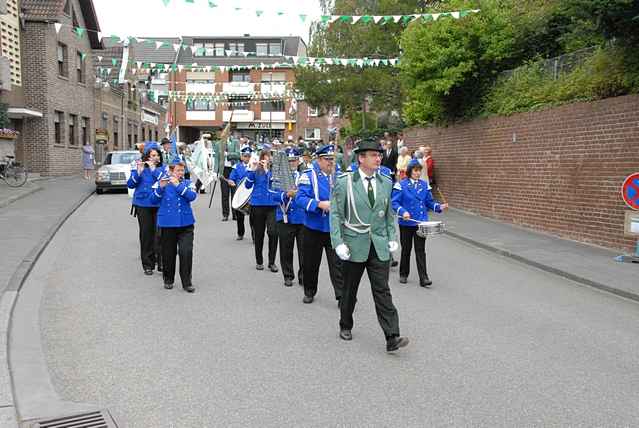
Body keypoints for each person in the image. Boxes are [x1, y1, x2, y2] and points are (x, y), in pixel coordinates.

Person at [330, 138, 409, 353]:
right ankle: (345, 324)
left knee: (382, 290)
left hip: (378, 244)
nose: (379, 158)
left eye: (379, 155)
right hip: (354, 243)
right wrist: (338, 242)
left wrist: (392, 236)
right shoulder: (344, 182)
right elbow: (336, 214)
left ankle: (392, 335)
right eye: (374, 155)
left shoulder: (385, 181)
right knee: (349, 290)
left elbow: (388, 214)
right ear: (361, 158)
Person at [296, 144, 343, 305]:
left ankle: (341, 295)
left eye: (332, 159)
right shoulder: (308, 175)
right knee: (310, 263)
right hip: (313, 226)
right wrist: (318, 204)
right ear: (319, 160)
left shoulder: (338, 176)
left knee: (337, 264)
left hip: (333, 228)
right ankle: (309, 291)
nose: (331, 162)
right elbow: (300, 199)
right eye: (328, 159)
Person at [391, 160, 448, 287]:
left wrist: (438, 207)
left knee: (420, 250)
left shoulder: (424, 185)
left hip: (421, 222)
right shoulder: (401, 185)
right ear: (410, 171)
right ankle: (403, 274)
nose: (417, 173)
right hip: (406, 222)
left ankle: (424, 278)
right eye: (415, 170)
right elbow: (394, 203)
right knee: (406, 249)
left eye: (419, 171)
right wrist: (403, 212)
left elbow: (429, 202)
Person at [151, 159, 197, 293]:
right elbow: (153, 200)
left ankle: (187, 282)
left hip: (186, 223)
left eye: (182, 170)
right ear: (171, 171)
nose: (180, 173)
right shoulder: (163, 183)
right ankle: (168, 279)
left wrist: (178, 185)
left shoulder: (187, 183)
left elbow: (192, 196)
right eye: (178, 170)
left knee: (186, 252)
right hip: (167, 223)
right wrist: (160, 187)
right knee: (168, 253)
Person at [127, 142, 165, 275]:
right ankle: (147, 264)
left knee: (160, 235)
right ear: (146, 156)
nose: (154, 157)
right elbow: (131, 184)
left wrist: (154, 169)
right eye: (151, 155)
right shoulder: (139, 167)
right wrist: (138, 172)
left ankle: (161, 262)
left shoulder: (163, 168)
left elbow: (165, 181)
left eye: (156, 155)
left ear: (159, 157)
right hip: (143, 204)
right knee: (146, 234)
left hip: (159, 204)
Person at [271, 148, 305, 287]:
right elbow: (272, 195)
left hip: (302, 218)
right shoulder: (278, 176)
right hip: (285, 216)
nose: (292, 163)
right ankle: (288, 275)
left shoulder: (305, 176)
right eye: (289, 160)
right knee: (286, 249)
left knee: (304, 250)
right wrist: (285, 195)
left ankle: (304, 276)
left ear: (299, 160)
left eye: (294, 160)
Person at [245, 150, 279, 272]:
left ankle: (272, 262)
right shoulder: (255, 170)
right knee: (259, 234)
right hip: (257, 204)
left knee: (273, 233)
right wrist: (252, 170)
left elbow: (275, 184)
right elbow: (247, 186)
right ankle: (259, 261)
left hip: (272, 205)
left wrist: (266, 171)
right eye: (263, 159)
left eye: (268, 159)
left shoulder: (275, 170)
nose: (265, 161)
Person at [228, 146, 253, 241]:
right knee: (239, 215)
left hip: (251, 194)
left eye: (248, 156)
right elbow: (231, 178)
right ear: (241, 157)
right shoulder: (236, 167)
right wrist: (231, 181)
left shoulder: (254, 166)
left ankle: (254, 234)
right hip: (240, 194)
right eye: (245, 156)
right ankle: (240, 233)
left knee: (253, 217)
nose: (247, 158)